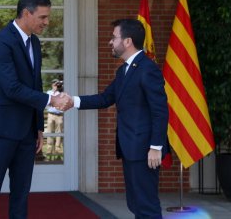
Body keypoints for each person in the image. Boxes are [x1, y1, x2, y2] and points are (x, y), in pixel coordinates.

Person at [62, 19, 169, 218]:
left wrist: (156, 147)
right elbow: (105, 98)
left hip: (145, 150)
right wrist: (72, 101)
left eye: (114, 37)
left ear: (127, 41)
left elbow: (160, 110)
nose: (110, 42)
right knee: (136, 203)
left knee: (146, 205)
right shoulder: (124, 70)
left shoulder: (148, 68)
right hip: (130, 147)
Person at [0, 0, 67, 219]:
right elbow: (12, 88)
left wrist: (38, 127)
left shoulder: (34, 43)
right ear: (26, 13)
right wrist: (51, 99)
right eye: (43, 17)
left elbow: (35, 85)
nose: (47, 22)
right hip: (0, 131)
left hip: (26, 132)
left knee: (21, 193)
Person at [46, 79, 64, 155]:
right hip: (50, 114)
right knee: (49, 131)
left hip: (59, 115)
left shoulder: (61, 93)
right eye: (54, 84)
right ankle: (49, 149)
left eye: (57, 84)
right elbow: (47, 102)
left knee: (59, 132)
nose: (55, 86)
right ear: (52, 85)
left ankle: (58, 148)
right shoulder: (49, 92)